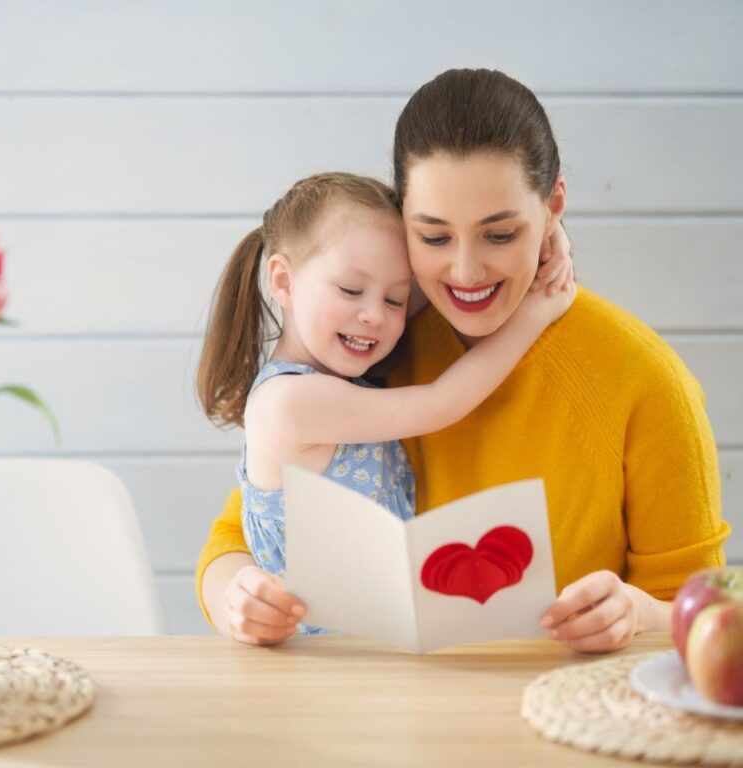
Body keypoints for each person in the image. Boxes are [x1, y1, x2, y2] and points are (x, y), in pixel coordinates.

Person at [196, 68, 730, 653]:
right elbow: (239, 535)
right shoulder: (369, 348)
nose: (466, 274)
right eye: (434, 238)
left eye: (500, 235)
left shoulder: (646, 381)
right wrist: (239, 599)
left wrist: (637, 611)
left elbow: (701, 608)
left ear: (553, 205)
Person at [196, 171, 574, 635]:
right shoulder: (290, 402)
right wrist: (537, 312)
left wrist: (547, 234)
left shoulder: (334, 371)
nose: (376, 315)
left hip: (374, 647)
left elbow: (456, 282)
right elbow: (439, 403)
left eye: (395, 299)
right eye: (351, 291)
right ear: (284, 282)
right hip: (322, 657)